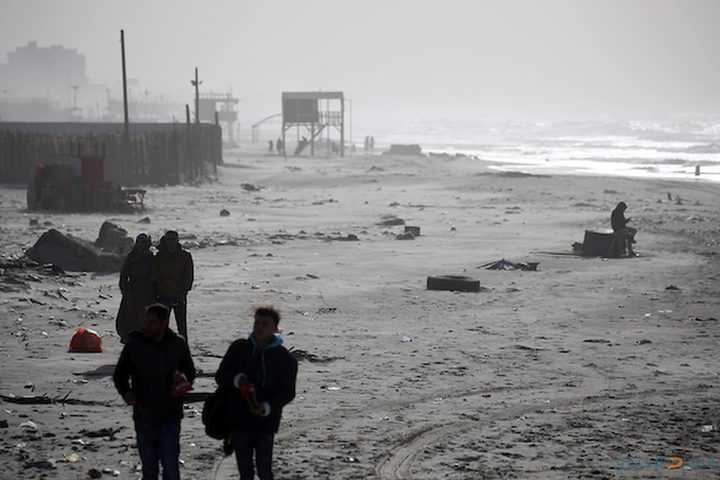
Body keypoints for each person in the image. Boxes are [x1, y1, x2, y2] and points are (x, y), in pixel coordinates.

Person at [113, 304, 196, 480]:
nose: (147, 326)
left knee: (171, 467)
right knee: (149, 470)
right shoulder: (135, 345)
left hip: (171, 415)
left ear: (164, 323)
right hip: (144, 415)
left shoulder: (178, 344)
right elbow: (120, 374)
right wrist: (126, 392)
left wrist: (182, 380)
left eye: (152, 322)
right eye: (146, 321)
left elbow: (190, 372)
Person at [215, 306, 298, 480]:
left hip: (266, 422)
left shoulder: (285, 359)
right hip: (238, 419)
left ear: (275, 328)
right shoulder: (239, 348)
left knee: (264, 470)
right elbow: (221, 376)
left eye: (265, 324)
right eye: (257, 322)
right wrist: (237, 380)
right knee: (245, 471)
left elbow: (288, 392)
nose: (259, 327)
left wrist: (267, 407)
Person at [152, 231, 194, 341]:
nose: (170, 242)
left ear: (177, 240)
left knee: (182, 326)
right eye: (168, 239)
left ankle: (184, 349)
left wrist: (183, 293)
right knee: (162, 326)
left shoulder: (185, 256)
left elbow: (189, 277)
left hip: (179, 296)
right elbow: (154, 275)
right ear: (165, 241)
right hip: (163, 295)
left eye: (173, 239)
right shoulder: (159, 256)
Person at [116, 233, 156, 343]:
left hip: (147, 293)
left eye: (143, 243)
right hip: (132, 292)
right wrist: (125, 290)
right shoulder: (131, 257)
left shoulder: (152, 259)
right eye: (139, 242)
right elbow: (124, 275)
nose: (141, 245)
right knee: (128, 319)